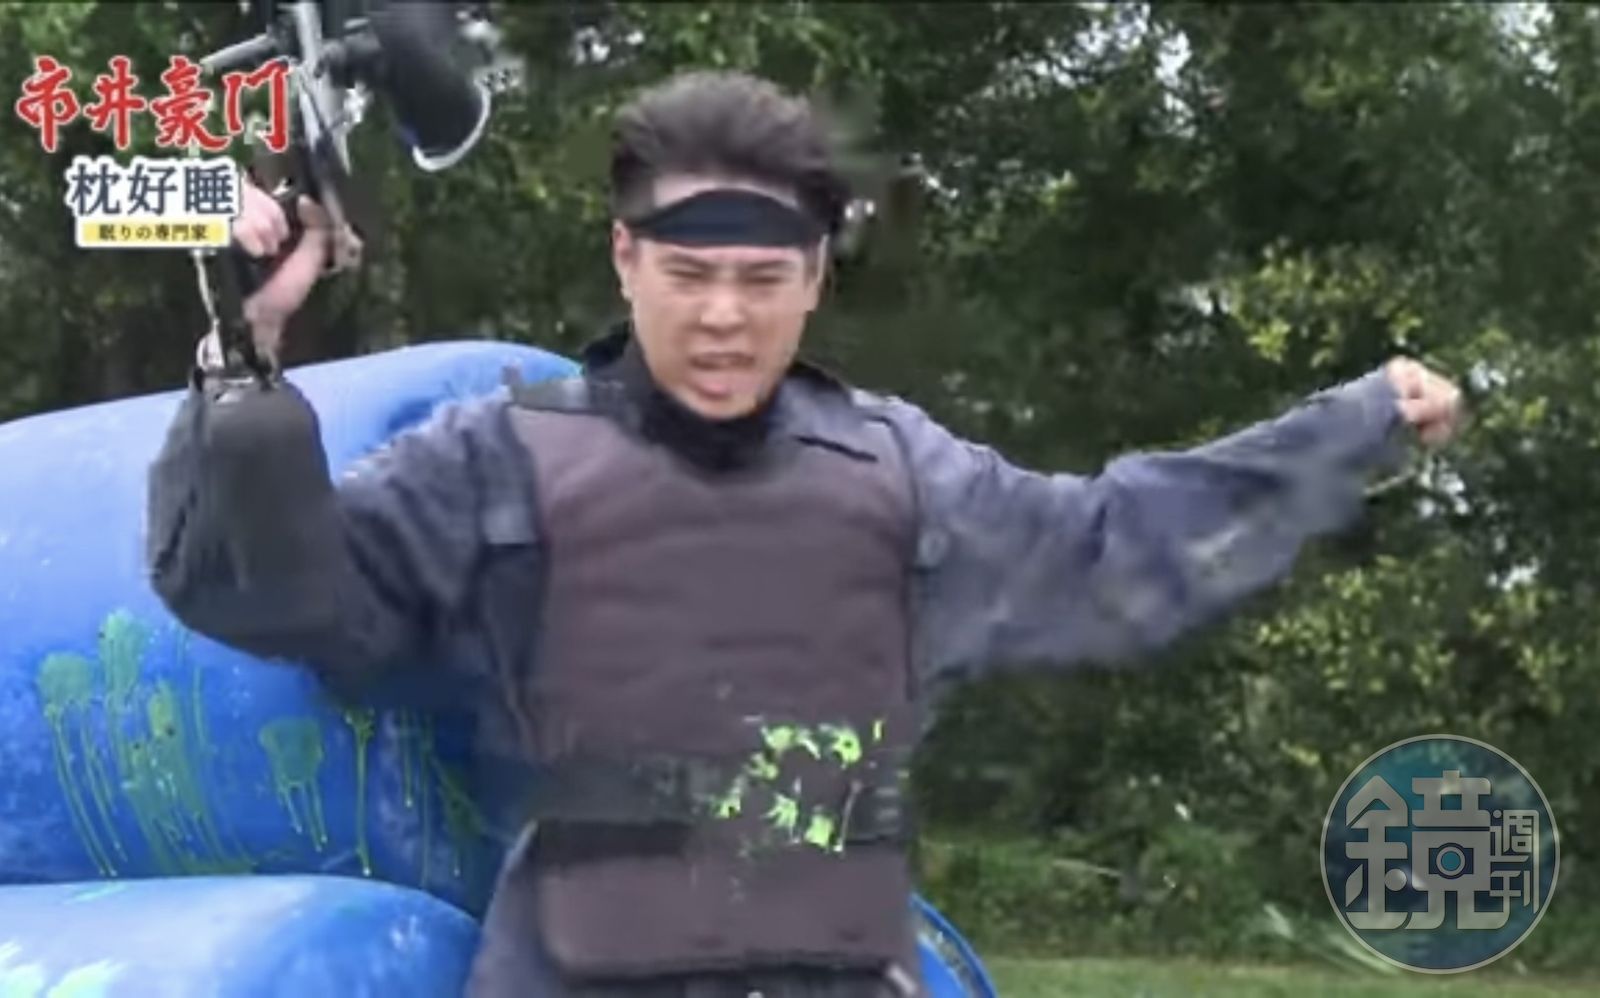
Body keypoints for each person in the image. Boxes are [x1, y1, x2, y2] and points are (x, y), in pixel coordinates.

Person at [146, 70, 1464, 997]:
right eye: (689, 274)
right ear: (625, 257)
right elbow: (275, 596)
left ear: (817, 275)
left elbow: (1119, 544)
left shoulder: (901, 473)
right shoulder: (496, 460)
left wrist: (1349, 428)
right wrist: (244, 351)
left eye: (762, 278)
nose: (724, 316)